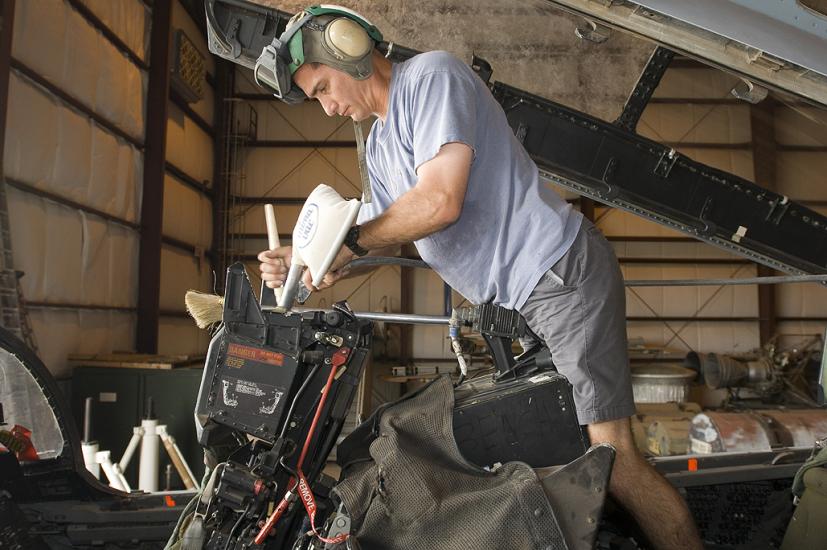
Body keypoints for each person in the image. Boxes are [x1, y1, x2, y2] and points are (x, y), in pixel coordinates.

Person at [256, 6, 703, 550]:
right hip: (522, 304)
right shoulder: (378, 144)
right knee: (562, 447)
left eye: (323, 88)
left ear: (351, 52)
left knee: (616, 457)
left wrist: (347, 245)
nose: (326, 108)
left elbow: (439, 202)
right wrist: (306, 262)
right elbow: (384, 227)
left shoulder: (432, 79)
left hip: (559, 277)